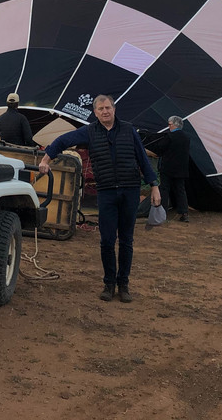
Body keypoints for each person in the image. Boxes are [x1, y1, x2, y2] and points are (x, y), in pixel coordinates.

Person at [39, 95, 160, 303]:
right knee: (106, 240)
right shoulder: (89, 132)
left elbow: (142, 158)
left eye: (108, 108)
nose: (105, 111)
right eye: (101, 109)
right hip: (106, 192)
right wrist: (46, 158)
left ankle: (124, 285)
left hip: (130, 190)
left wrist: (155, 186)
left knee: (126, 240)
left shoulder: (128, 129)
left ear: (114, 109)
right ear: (95, 113)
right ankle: (108, 284)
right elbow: (63, 141)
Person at [150, 116, 192, 222]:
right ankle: (184, 213)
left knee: (164, 190)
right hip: (182, 169)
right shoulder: (187, 137)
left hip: (167, 168)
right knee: (180, 190)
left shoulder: (169, 136)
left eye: (169, 124)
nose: (168, 126)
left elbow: (159, 150)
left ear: (173, 124)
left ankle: (162, 213)